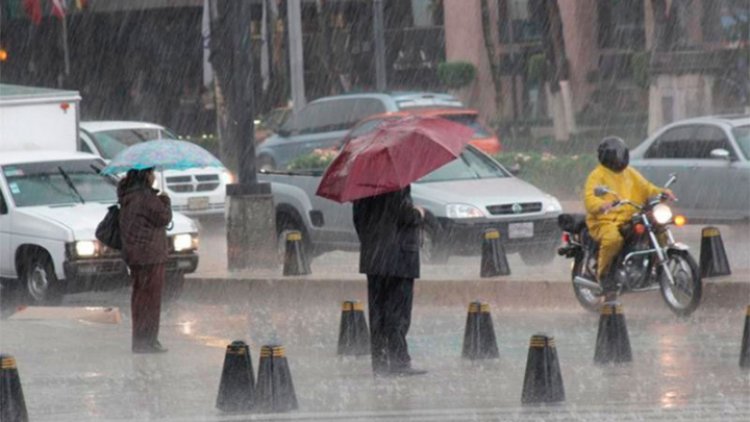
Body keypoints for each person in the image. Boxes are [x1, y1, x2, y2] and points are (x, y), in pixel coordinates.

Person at [584, 137, 674, 300]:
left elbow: (647, 188)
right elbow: (590, 198)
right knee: (613, 240)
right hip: (604, 221)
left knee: (658, 228)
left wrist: (662, 192)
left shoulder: (630, 173)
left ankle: (655, 266)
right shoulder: (597, 175)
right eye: (616, 155)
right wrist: (602, 205)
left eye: (622, 154)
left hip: (630, 217)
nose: (619, 159)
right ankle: (603, 275)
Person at [352, 186, 427, 377]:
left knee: (378, 313)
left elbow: (358, 221)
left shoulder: (363, 186)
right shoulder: (395, 184)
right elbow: (403, 214)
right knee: (398, 312)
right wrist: (418, 213)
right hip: (399, 258)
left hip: (375, 258)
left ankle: (380, 361)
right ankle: (399, 361)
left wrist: (373, 242)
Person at [118, 167, 172, 353]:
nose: (154, 176)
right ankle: (148, 341)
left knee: (140, 298)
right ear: (146, 176)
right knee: (151, 299)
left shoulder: (128, 196)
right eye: (152, 173)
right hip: (150, 255)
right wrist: (165, 200)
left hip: (135, 255)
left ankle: (139, 339)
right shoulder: (146, 197)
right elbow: (164, 217)